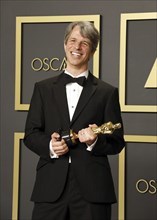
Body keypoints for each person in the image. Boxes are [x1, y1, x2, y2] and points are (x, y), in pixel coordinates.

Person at [24, 21, 125, 220]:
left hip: (93, 190)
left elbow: (117, 142)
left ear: (93, 50)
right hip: (50, 187)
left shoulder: (107, 92)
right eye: (73, 41)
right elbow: (31, 134)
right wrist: (51, 147)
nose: (77, 47)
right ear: (65, 45)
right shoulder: (43, 88)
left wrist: (94, 141)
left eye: (84, 43)